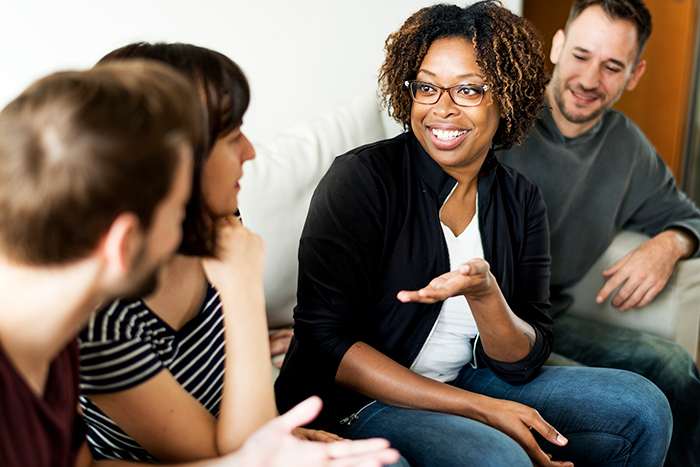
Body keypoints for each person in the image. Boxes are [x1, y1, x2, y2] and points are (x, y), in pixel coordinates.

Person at [275, 2, 672, 466]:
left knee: (643, 408)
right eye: (427, 87)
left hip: (468, 377)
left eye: (468, 90)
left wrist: (486, 296)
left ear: (507, 97)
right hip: (357, 406)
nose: (442, 110)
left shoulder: (521, 200)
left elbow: (522, 359)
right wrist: (482, 409)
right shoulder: (362, 179)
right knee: (497, 456)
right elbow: (325, 345)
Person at [0, 62, 399, 467]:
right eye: (178, 215)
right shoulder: (79, 340)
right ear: (122, 244)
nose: (188, 233)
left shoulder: (54, 344)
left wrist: (248, 462)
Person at [497, 1, 700, 465]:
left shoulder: (627, 148)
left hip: (550, 320)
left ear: (635, 73)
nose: (590, 80)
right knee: (631, 406)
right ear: (557, 45)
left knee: (674, 366)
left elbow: (690, 217)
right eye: (582, 55)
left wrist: (670, 243)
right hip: (484, 328)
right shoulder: (500, 115)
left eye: (612, 67)